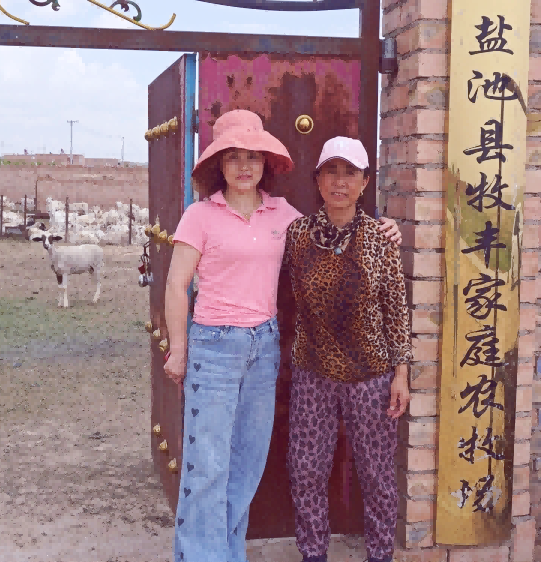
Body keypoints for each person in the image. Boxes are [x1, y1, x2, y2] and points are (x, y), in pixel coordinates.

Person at [163, 110, 402, 562]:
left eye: (252, 157)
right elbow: (177, 286)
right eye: (233, 157)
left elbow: (334, 230)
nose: (244, 166)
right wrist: (179, 349)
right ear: (219, 165)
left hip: (263, 348)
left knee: (247, 463)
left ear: (265, 163)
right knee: (206, 466)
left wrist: (386, 226)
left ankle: (227, 553)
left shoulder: (284, 215)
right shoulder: (200, 215)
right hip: (214, 347)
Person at [283, 136, 412, 562]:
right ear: (318, 179)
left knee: (376, 475)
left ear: (365, 182)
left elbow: (396, 309)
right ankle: (313, 553)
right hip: (312, 372)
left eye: (350, 173)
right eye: (331, 172)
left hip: (371, 376)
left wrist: (400, 375)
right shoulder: (298, 234)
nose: (340, 182)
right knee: (305, 470)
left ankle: (380, 554)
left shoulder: (380, 237)